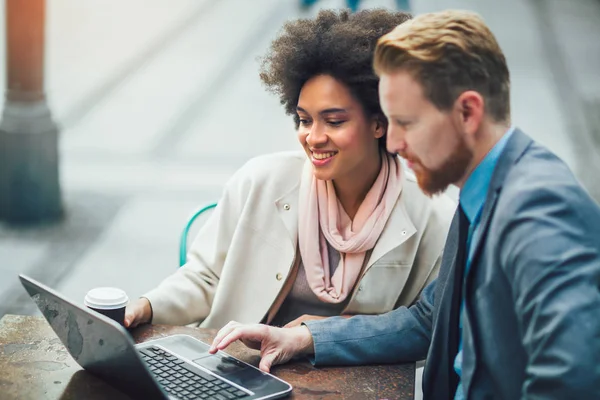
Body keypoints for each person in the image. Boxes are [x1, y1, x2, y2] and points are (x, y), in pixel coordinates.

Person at [208, 9, 600, 399]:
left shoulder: (540, 209)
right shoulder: (484, 190)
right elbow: (427, 320)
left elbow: (571, 382)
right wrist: (302, 337)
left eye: (406, 122)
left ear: (467, 112)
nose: (392, 142)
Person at [124, 9, 454, 331]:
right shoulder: (260, 181)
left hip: (355, 380)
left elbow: (425, 328)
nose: (313, 137)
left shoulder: (433, 215)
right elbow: (205, 277)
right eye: (304, 120)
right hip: (237, 363)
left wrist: (322, 336)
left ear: (380, 122)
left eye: (334, 121)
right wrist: (146, 306)